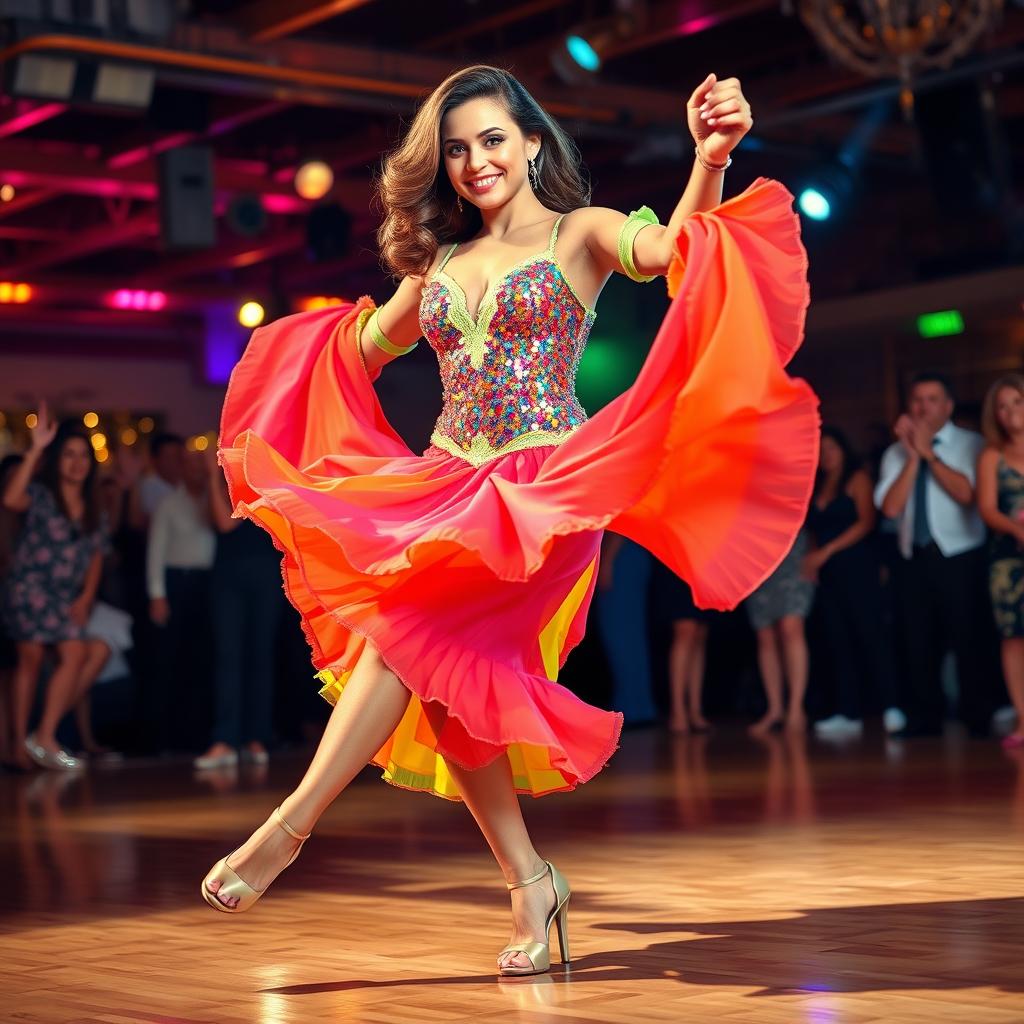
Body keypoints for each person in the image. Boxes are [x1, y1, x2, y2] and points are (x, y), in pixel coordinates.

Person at [201, 65, 819, 978]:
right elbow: (364, 349)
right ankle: (532, 882)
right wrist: (294, 370)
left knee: (407, 636)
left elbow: (680, 248)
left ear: (533, 142)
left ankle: (287, 829)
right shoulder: (440, 263)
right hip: (446, 485)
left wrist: (710, 159)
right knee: (451, 680)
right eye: (456, 149)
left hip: (544, 496)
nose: (474, 161)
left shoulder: (582, 234)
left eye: (492, 139)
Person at [875, 371, 994, 737]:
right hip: (914, 557)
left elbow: (967, 494)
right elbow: (890, 508)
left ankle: (978, 716)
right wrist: (913, 458)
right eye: (917, 400)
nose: (923, 407)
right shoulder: (895, 452)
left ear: (948, 406)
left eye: (931, 399)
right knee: (918, 639)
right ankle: (926, 717)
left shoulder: (971, 444)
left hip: (961, 555)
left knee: (969, 638)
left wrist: (931, 455)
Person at [1, 405, 105, 771]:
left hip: (63, 597)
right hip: (29, 589)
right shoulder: (43, 496)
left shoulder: (94, 505)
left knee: (80, 654)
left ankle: (40, 736)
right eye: (69, 455)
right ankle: (18, 747)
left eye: (83, 456)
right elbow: (11, 499)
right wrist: (35, 449)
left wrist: (87, 595)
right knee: (30, 661)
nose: (77, 463)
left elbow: (96, 554)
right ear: (56, 460)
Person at [192, 445, 285, 770]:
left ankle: (255, 737)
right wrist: (214, 476)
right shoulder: (223, 483)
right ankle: (225, 740)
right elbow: (222, 523)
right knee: (228, 656)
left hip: (265, 573)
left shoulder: (267, 481)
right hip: (228, 577)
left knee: (260, 655)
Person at [805, 426, 902, 738]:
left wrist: (828, 551)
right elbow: (812, 531)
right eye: (821, 449)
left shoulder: (857, 478)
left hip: (858, 566)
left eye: (832, 447)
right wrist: (814, 558)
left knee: (870, 634)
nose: (826, 454)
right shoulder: (816, 485)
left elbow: (867, 522)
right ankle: (847, 711)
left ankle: (892, 706)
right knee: (837, 639)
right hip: (829, 573)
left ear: (844, 449)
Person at [147, 449, 216, 753]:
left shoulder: (214, 503)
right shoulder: (169, 504)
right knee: (172, 661)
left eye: (201, 465)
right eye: (190, 464)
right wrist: (157, 594)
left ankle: (200, 736)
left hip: (209, 586)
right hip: (177, 584)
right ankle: (168, 738)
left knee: (203, 661)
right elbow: (155, 551)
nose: (196, 470)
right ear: (182, 468)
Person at [976, 375, 1024, 748]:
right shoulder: (991, 456)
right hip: (1008, 558)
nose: (1010, 413)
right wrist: (1017, 530)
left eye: (1016, 402)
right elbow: (987, 509)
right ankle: (1022, 719)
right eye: (1002, 406)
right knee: (1012, 637)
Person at [744, 528, 815, 735]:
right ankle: (775, 708)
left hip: (790, 544)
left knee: (791, 626)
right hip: (755, 548)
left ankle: (796, 707)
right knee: (764, 632)